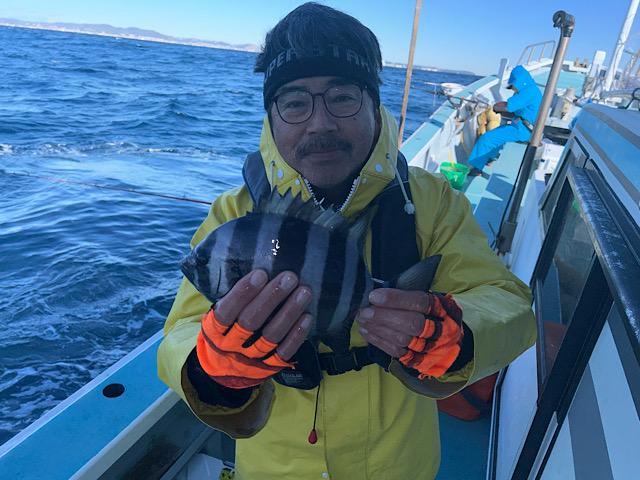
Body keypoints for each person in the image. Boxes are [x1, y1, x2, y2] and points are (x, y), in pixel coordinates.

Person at [157, 4, 536, 479]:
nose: (320, 123)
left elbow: (507, 302)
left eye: (342, 97)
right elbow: (182, 329)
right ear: (271, 115)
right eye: (295, 102)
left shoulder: (431, 202)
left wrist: (459, 336)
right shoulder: (234, 213)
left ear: (374, 104)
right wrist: (210, 366)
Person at [467, 65, 542, 176]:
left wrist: (495, 107)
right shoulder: (530, 89)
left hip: (522, 131)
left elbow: (508, 107)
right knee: (497, 135)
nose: (513, 89)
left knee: (486, 139)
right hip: (521, 126)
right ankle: (489, 158)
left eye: (513, 86)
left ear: (520, 82)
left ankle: (476, 168)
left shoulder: (528, 91)